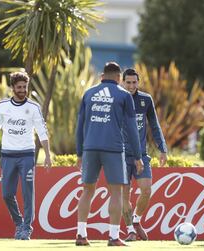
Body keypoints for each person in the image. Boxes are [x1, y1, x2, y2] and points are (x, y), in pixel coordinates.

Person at [75, 62, 144, 247]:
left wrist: (79, 153)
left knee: (87, 191)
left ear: (102, 76)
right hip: (113, 149)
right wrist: (137, 156)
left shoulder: (88, 93)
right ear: (119, 78)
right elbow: (131, 128)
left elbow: (79, 126)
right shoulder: (124, 95)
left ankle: (81, 235)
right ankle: (113, 237)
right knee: (116, 192)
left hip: (90, 148)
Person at [0, 71, 52, 240]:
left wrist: (48, 155)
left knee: (28, 192)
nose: (23, 90)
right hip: (7, 155)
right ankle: (19, 223)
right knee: (6, 194)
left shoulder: (34, 107)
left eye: (25, 87)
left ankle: (26, 228)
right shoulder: (3, 106)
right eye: (19, 87)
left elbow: (42, 133)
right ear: (13, 88)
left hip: (27, 155)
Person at [121, 68, 168, 242]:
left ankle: (135, 220)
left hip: (141, 155)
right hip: (121, 155)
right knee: (124, 195)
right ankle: (129, 231)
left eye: (134, 82)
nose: (131, 86)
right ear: (122, 82)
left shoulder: (145, 100)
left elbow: (154, 126)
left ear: (138, 82)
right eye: (128, 82)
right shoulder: (117, 100)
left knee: (147, 190)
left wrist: (163, 148)